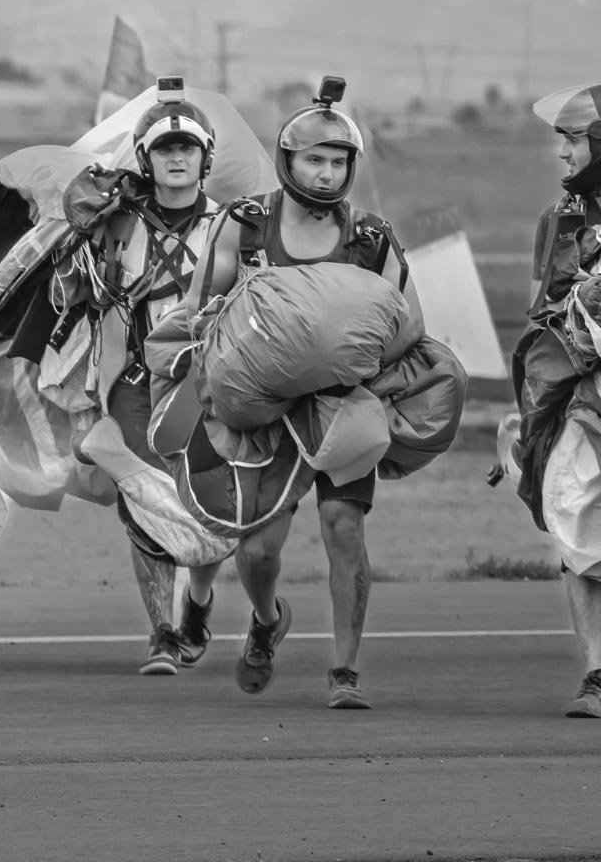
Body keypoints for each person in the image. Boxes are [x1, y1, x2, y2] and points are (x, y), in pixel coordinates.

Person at [186, 78, 418, 709]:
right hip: (264, 413)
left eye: (338, 162)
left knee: (344, 528)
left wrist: (350, 366)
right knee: (258, 550)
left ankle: (345, 671)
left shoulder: (371, 238)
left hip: (343, 408)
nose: (326, 173)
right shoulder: (246, 225)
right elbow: (200, 313)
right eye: (314, 159)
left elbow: (409, 324)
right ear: (288, 160)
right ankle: (266, 620)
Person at [55, 81, 225, 675]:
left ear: (206, 157)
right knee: (144, 501)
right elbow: (67, 293)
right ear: (145, 159)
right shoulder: (115, 224)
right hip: (135, 381)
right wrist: (78, 230)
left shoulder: (233, 227)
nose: (176, 157)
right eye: (164, 149)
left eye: (187, 148)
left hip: (211, 382)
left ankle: (197, 604)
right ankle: (163, 633)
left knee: (210, 502)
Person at [509, 83, 601, 717]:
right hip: (577, 399)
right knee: (574, 516)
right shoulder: (559, 220)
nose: (562, 153)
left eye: (572, 140)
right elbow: (540, 312)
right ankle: (597, 675)